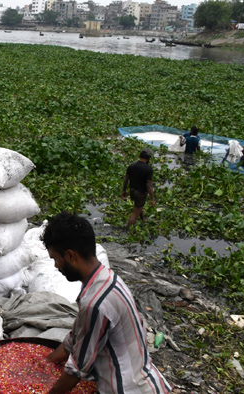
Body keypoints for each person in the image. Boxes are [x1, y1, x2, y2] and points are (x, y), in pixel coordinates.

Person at [42, 212, 172, 394]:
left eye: (56, 259)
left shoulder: (95, 303)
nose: (56, 266)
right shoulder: (108, 279)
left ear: (70, 256)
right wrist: (44, 363)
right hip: (146, 381)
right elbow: (75, 336)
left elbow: (78, 368)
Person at [121, 148, 155, 229]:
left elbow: (126, 179)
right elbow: (149, 184)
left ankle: (143, 219)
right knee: (135, 215)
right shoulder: (148, 169)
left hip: (132, 191)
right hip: (141, 193)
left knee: (138, 206)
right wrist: (153, 198)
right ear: (148, 158)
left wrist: (124, 190)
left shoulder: (131, 166)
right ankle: (126, 230)